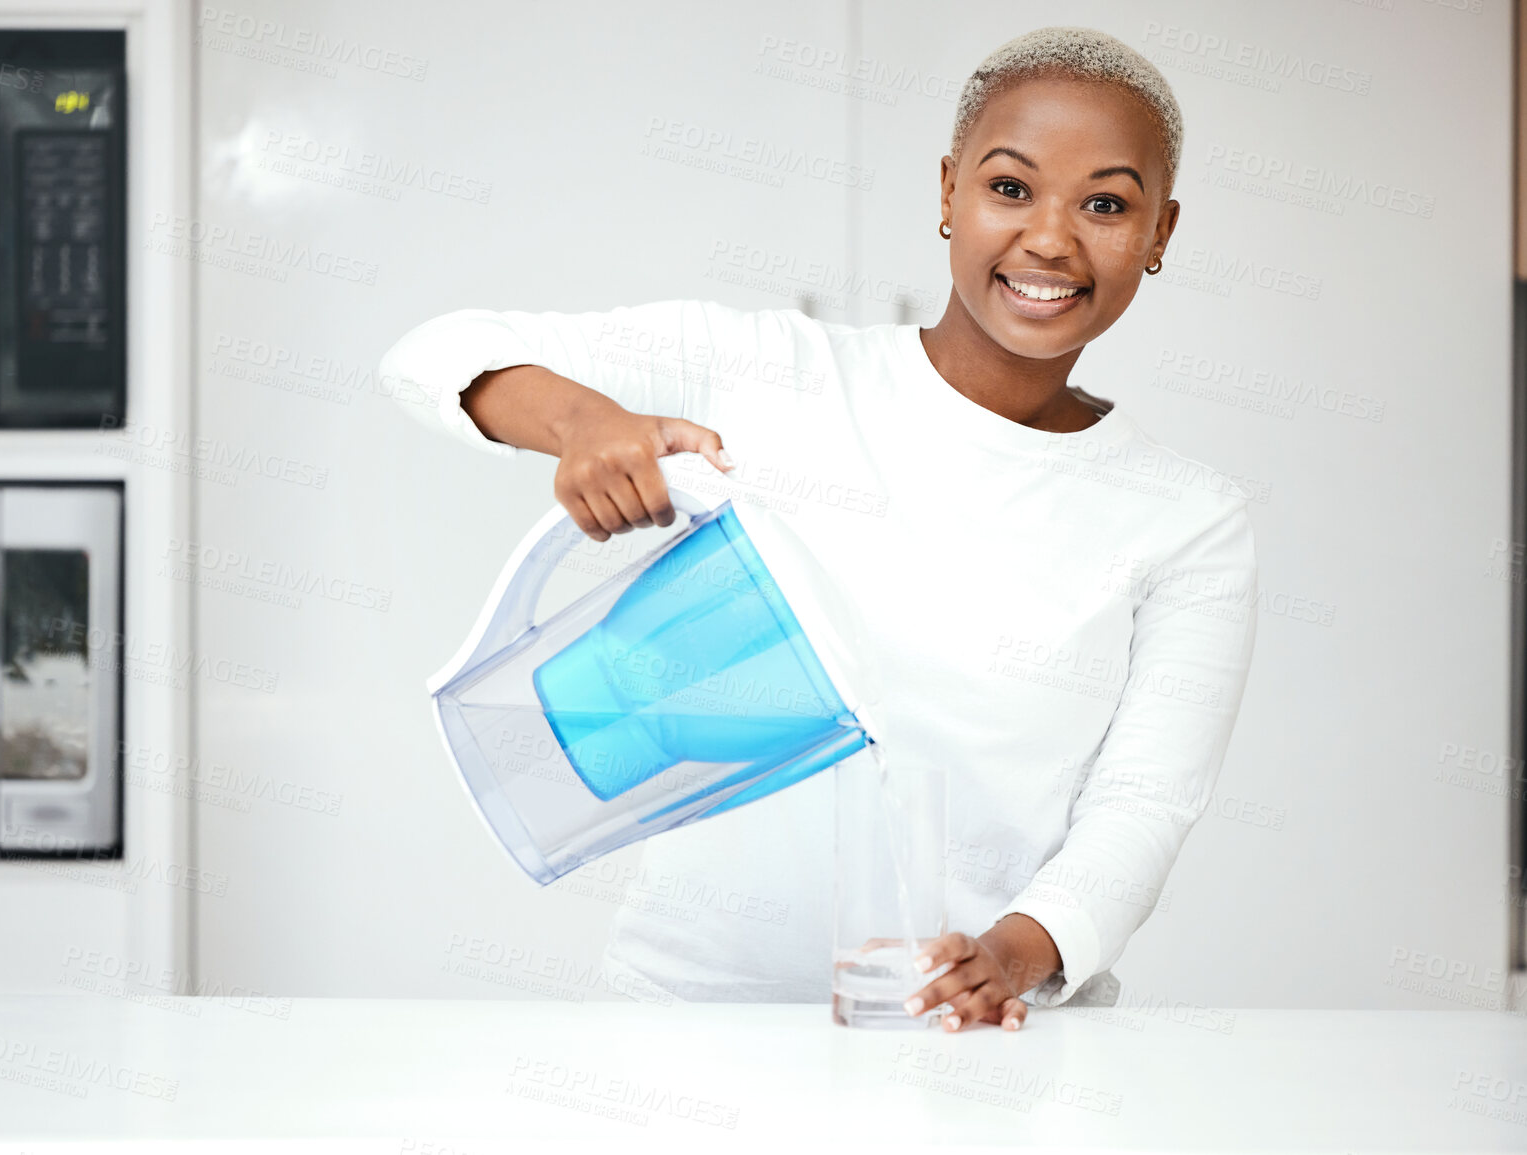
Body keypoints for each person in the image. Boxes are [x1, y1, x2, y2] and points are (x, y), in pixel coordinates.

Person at [379, 25, 1258, 1032]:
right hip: (693, 1025)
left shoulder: (1190, 519)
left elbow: (1145, 805)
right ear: (947, 193)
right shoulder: (774, 371)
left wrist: (1012, 958)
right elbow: (432, 354)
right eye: (1009, 187)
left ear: (1161, 235)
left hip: (980, 1037)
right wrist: (585, 425)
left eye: (1106, 203)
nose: (1052, 238)